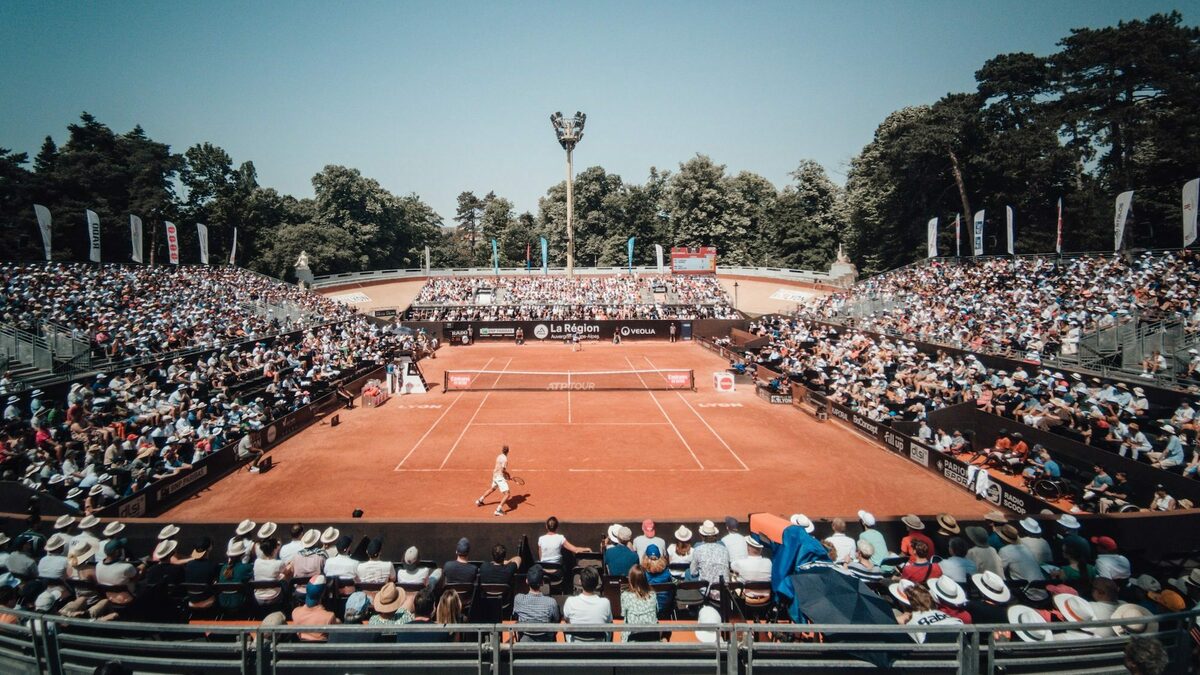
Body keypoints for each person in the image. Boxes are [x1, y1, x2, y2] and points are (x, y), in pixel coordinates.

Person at [562, 567, 613, 642]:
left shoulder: (570, 601)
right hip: (599, 648)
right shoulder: (605, 603)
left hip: (575, 648)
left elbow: (566, 620)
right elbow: (610, 623)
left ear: (580, 582)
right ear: (597, 583)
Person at [512, 564, 560, 642]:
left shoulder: (518, 599)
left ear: (526, 581)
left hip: (525, 642)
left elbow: (515, 615)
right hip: (546, 642)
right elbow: (556, 620)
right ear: (542, 582)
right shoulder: (551, 602)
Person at [292, 575, 339, 642]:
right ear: (323, 594)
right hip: (322, 651)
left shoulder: (295, 612)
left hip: (301, 650)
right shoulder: (329, 616)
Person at [620, 565, 661, 641]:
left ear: (631, 580)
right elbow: (656, 611)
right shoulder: (653, 595)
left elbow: (623, 614)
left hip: (632, 638)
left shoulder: (625, 595)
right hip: (652, 638)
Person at [475, 445, 512, 517]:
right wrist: (508, 475)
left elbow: (499, 468)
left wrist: (505, 477)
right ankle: (498, 510)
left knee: (492, 489)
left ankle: (480, 500)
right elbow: (503, 470)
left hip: (495, 475)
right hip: (499, 477)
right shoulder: (505, 459)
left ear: (502, 450)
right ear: (508, 451)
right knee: (507, 494)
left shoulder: (499, 456)